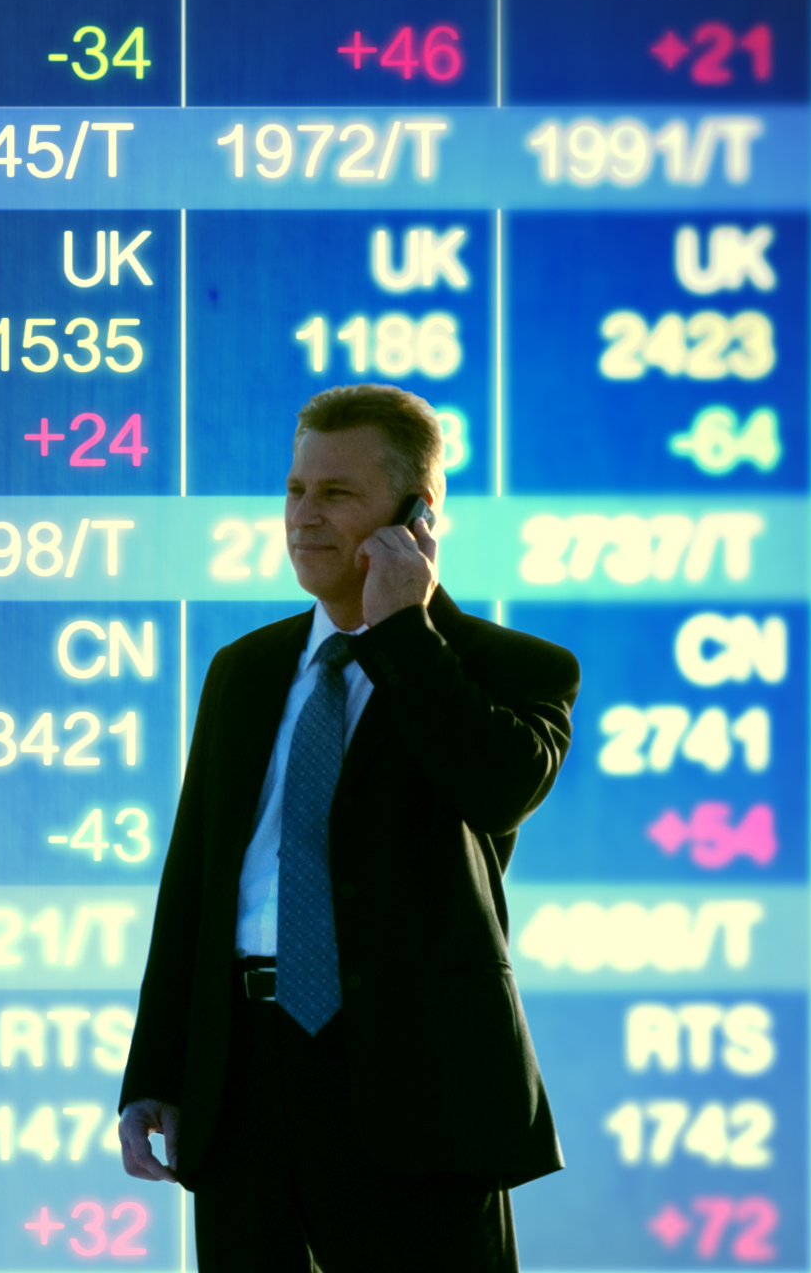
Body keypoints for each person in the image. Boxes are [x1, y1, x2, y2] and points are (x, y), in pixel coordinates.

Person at [114, 385, 579, 1272]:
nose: (303, 517)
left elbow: (499, 789)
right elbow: (196, 882)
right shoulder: (242, 672)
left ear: (416, 518)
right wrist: (156, 1070)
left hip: (418, 1086)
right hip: (244, 1077)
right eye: (295, 491)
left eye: (336, 495)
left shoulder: (515, 670)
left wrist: (404, 629)